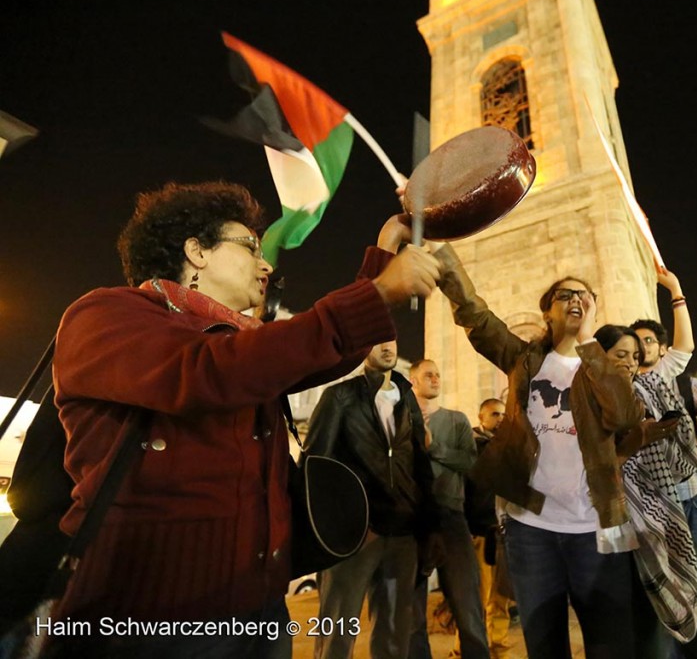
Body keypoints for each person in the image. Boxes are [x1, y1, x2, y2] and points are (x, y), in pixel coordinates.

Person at [49, 181, 439, 658]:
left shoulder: (245, 339)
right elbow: (210, 371)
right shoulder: (107, 314)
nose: (266, 263)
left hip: (260, 608)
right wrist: (376, 291)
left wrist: (386, 246)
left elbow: (319, 354)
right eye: (250, 246)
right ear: (197, 251)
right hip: (150, 616)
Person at [431, 243, 672, 659]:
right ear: (547, 312)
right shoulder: (524, 360)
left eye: (584, 295)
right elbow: (477, 316)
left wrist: (589, 345)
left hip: (597, 527)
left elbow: (624, 415)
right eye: (565, 295)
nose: (576, 300)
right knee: (544, 645)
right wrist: (444, 259)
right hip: (531, 529)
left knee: (610, 644)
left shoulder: (602, 364)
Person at [304, 341, 441, 659]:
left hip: (403, 531)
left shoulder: (406, 397)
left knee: (395, 633)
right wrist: (334, 528)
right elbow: (315, 465)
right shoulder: (340, 396)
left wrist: (430, 526)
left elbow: (421, 464)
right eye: (376, 338)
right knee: (337, 632)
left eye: (391, 338)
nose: (386, 345)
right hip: (355, 535)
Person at [629, 267, 697, 659]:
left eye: (647, 340)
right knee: (671, 594)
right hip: (657, 506)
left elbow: (686, 343)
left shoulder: (668, 373)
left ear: (660, 349)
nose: (640, 347)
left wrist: (676, 289)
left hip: (696, 496)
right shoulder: (618, 389)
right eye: (632, 342)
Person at [593, 324, 697, 659]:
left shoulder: (648, 390)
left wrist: (667, 431)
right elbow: (590, 471)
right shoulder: (586, 402)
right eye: (619, 355)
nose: (630, 362)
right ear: (598, 356)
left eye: (635, 356)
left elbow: (681, 462)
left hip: (665, 520)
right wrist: (631, 445)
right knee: (643, 627)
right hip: (617, 528)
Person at [406, 359, 489, 659]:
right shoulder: (400, 418)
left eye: (439, 375)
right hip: (410, 521)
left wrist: (433, 448)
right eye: (429, 374)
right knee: (411, 611)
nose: (436, 379)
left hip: (451, 517)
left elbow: (470, 462)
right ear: (412, 379)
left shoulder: (456, 420)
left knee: (467, 603)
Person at [461, 398, 515, 659]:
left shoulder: (509, 447)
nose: (501, 419)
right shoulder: (472, 446)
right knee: (479, 599)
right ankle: (471, 649)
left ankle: (500, 649)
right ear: (481, 418)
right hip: (479, 531)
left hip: (503, 532)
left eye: (504, 414)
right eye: (495, 414)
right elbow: (464, 489)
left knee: (501, 598)